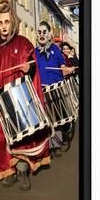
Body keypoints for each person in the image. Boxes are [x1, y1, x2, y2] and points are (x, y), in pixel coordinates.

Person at [0, 0, 50, 190]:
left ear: (13, 22)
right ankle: (10, 169)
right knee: (2, 136)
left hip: (20, 100)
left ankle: (23, 171)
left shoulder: (23, 43)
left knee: (22, 137)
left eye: (7, 22)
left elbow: (33, 67)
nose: (4, 27)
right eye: (0, 23)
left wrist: (29, 68)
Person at [34, 22, 74, 156]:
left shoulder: (55, 49)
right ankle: (50, 146)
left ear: (49, 34)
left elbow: (61, 62)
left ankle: (56, 142)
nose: (42, 35)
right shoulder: (34, 52)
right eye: (39, 32)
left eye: (44, 32)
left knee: (57, 117)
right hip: (42, 88)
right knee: (47, 118)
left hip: (56, 87)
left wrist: (64, 68)